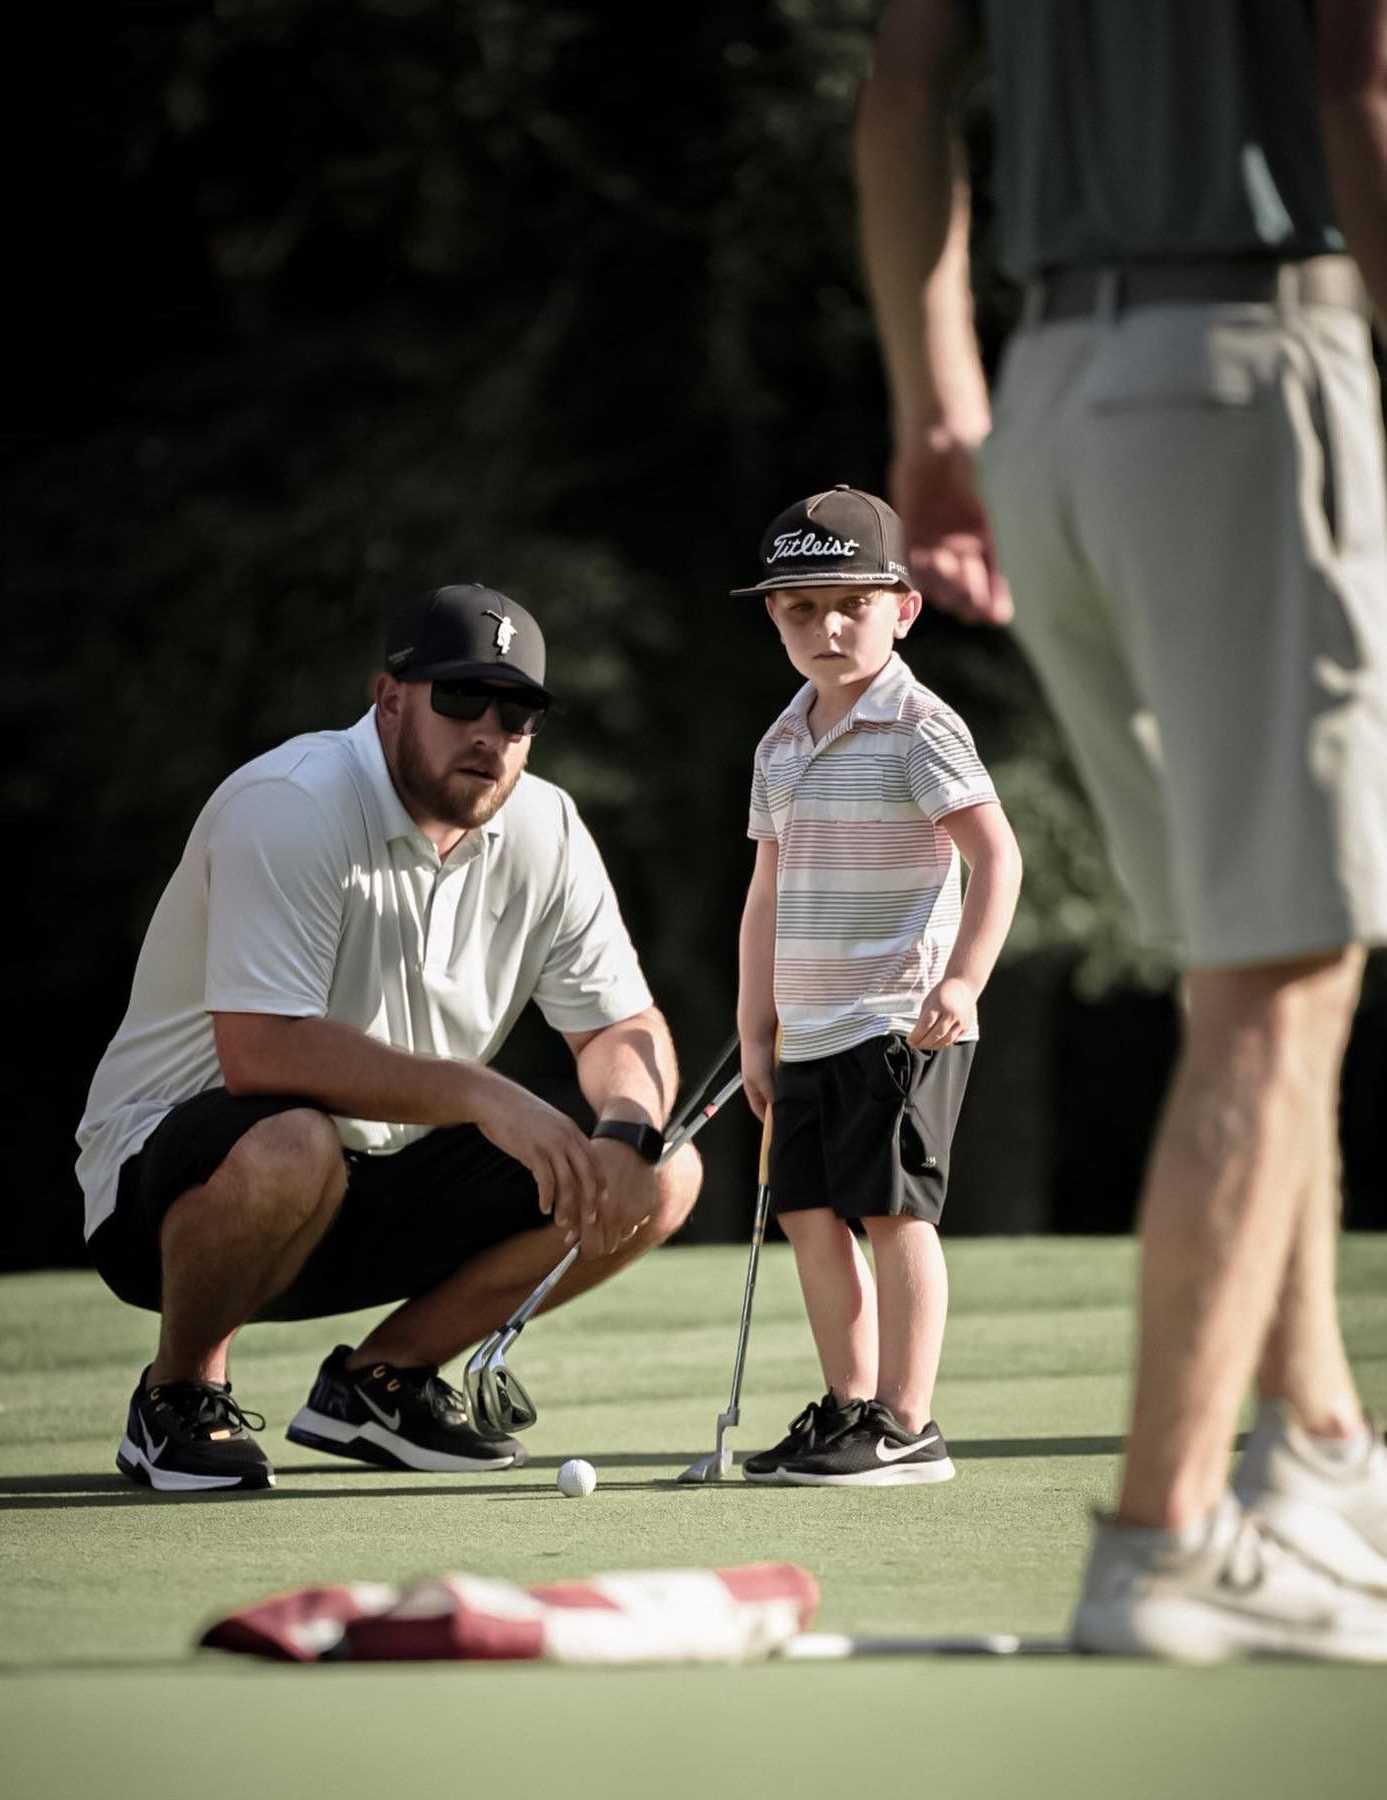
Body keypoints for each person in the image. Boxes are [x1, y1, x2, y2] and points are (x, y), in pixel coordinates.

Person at [854, 0, 1387, 1655]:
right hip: (1245, 362)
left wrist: (937, 410)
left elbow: (903, 80)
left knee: (1249, 964)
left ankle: (1317, 1453)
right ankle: (1164, 1536)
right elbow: (1355, 76)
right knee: (1283, 982)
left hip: (1052, 389)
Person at [75, 582, 701, 1492]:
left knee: (664, 1171)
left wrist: (627, 1130)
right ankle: (178, 1393)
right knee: (295, 1141)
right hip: (177, 1192)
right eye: (461, 698)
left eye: (518, 710)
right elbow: (262, 1052)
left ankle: (381, 1382)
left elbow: (619, 1025)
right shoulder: (293, 802)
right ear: (391, 697)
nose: (490, 730)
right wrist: (482, 1094)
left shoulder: (547, 827)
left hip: (377, 1180)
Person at [732, 483, 1021, 1486]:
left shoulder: (919, 727)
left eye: (852, 602)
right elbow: (766, 887)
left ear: (904, 607)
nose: (827, 624)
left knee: (894, 1214)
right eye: (801, 608)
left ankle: (908, 1424)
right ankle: (849, 1411)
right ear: (774, 616)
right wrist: (753, 1023)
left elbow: (999, 857)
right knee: (811, 1216)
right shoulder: (780, 741)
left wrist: (965, 980)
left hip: (902, 1016)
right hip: (807, 1026)